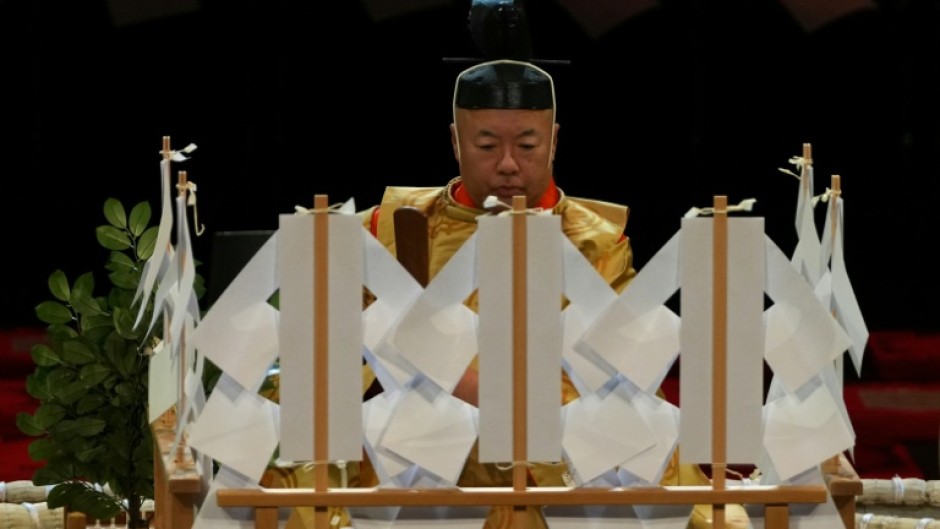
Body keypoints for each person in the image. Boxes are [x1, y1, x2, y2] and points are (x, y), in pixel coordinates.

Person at [356, 57, 750, 529]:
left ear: (554, 141)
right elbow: (341, 365)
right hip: (420, 472)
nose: (507, 164)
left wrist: (471, 387)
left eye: (527, 145)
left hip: (555, 482)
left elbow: (610, 376)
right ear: (456, 142)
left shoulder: (594, 242)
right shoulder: (393, 227)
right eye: (486, 145)